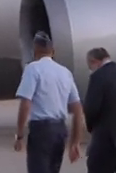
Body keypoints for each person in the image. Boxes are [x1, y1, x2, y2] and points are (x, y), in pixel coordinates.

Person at [13, 31, 84, 173]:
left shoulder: (32, 69)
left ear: (35, 49)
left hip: (41, 130)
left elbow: (26, 103)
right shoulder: (65, 72)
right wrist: (75, 141)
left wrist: (20, 134)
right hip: (60, 130)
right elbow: (77, 109)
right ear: (53, 51)